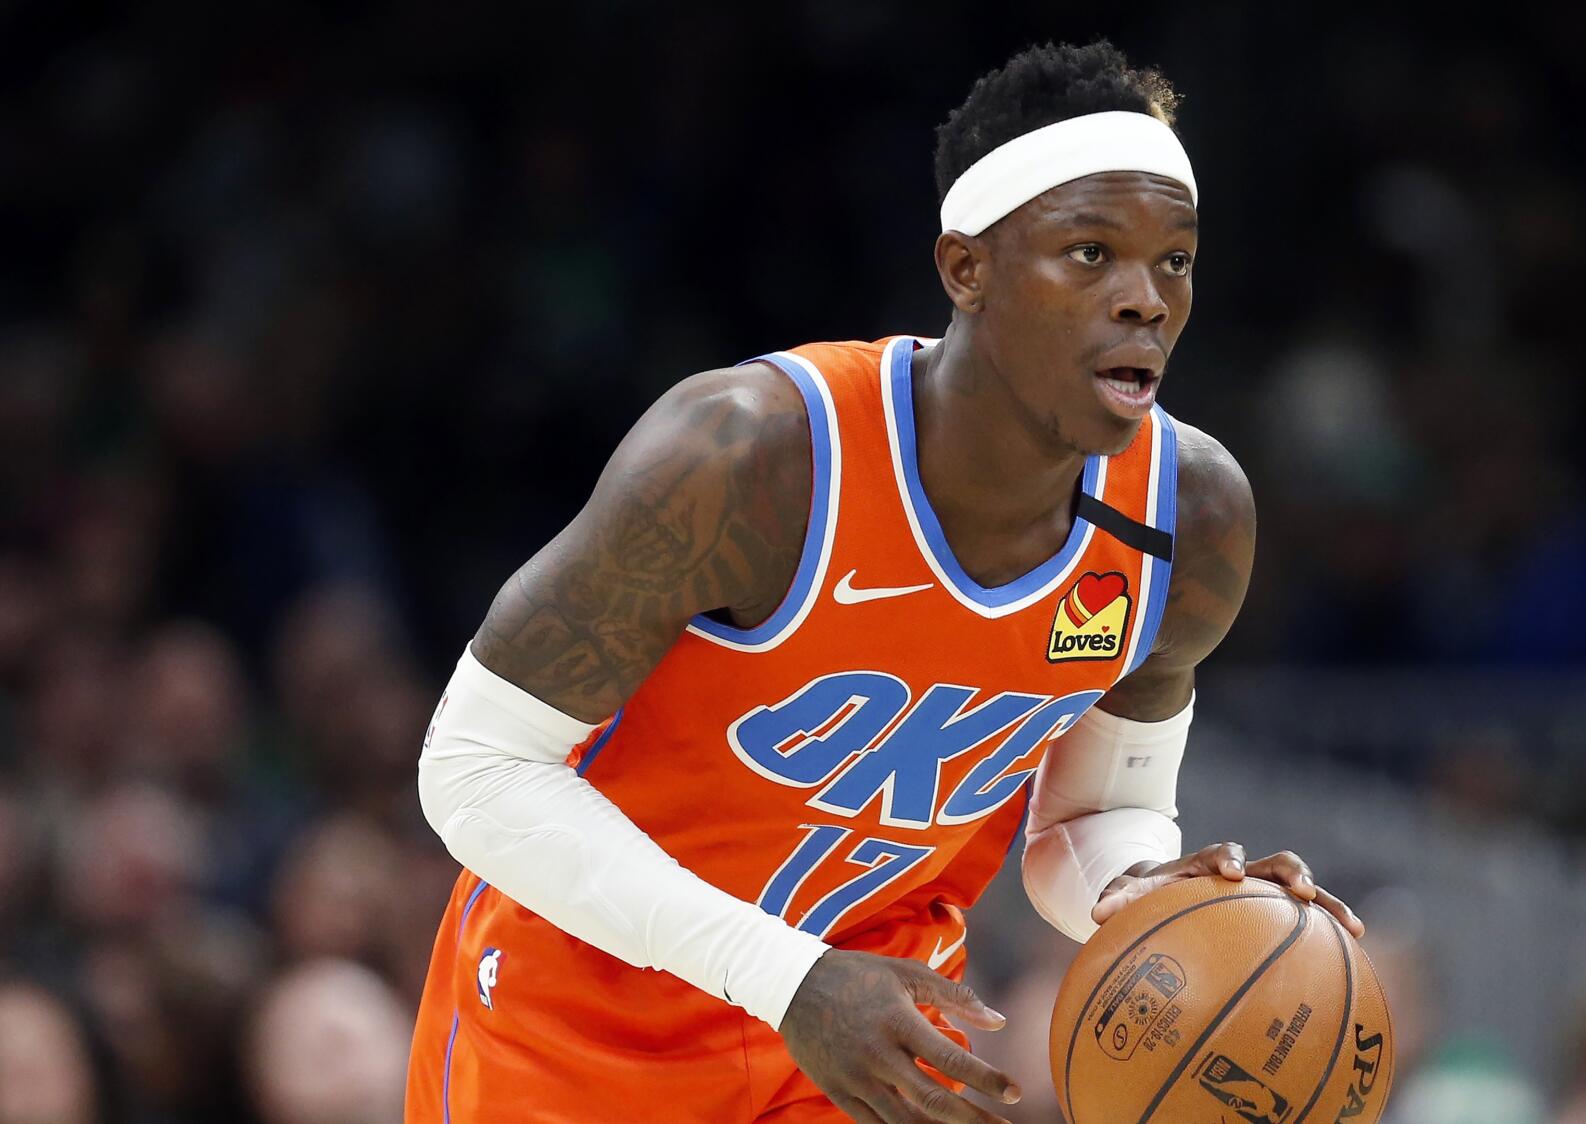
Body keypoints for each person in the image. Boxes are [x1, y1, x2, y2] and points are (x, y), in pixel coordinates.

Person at [405, 41, 1362, 1124]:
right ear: (967, 269)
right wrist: (791, 978)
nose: (1143, 299)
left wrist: (1143, 889)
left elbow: (1095, 812)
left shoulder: (1189, 517)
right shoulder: (749, 456)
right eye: (1089, 253)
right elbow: (474, 770)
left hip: (867, 1047)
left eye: (1174, 260)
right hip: (575, 1034)